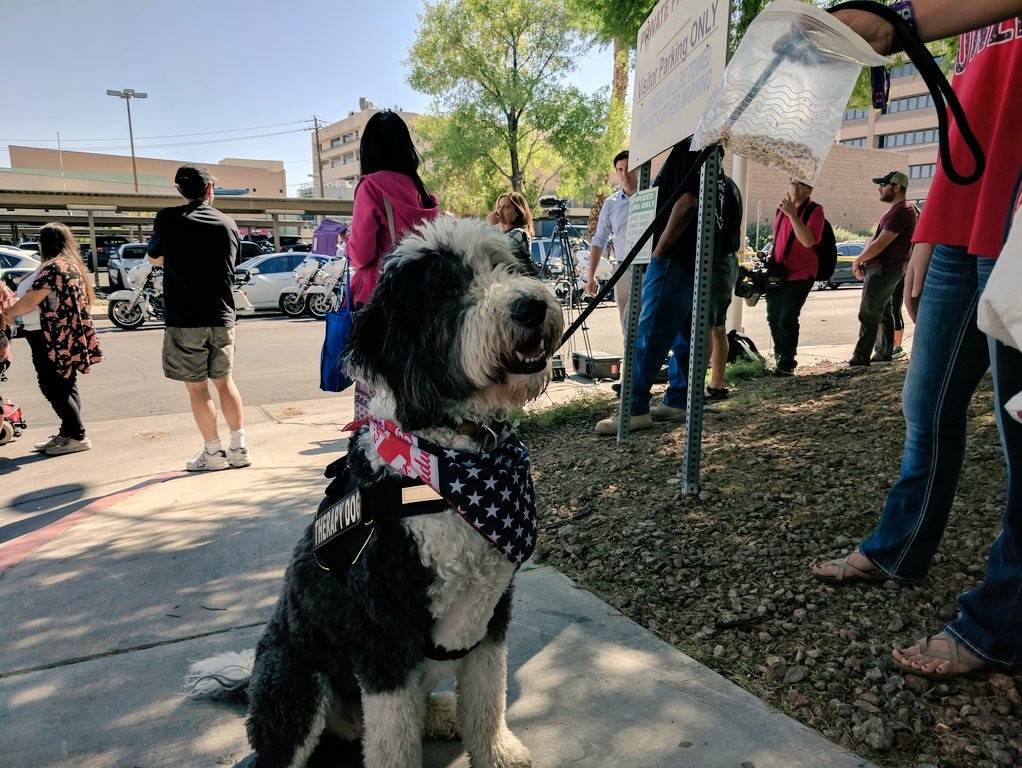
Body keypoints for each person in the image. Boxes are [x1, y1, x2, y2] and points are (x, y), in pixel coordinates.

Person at [812, 0, 1022, 679]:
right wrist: (932, 226)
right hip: (965, 205)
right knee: (925, 403)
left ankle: (1004, 621)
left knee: (1021, 430)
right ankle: (899, 548)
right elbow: (971, 107)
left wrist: (897, 18)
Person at [594, 138, 739, 435]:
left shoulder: (691, 149)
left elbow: (686, 203)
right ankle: (679, 400)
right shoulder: (721, 174)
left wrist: (660, 249)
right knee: (688, 334)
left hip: (675, 257)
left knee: (649, 332)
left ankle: (633, 408)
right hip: (697, 261)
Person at [147, 166, 250, 472]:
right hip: (221, 315)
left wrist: (178, 260)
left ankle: (213, 453)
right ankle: (239, 448)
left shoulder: (168, 218)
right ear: (209, 190)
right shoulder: (228, 223)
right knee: (224, 382)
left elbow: (153, 256)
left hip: (185, 319)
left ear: (180, 191)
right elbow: (231, 263)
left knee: (197, 388)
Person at [344, 110, 440, 419]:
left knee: (375, 385)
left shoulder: (371, 186)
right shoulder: (420, 190)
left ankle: (376, 440)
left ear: (370, 149)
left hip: (379, 300)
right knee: (412, 383)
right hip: (420, 299)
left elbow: (361, 254)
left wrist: (347, 242)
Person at [2, 222, 101, 455]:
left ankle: (77, 435)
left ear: (44, 243)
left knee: (52, 386)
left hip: (49, 335)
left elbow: (31, 300)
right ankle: (68, 433)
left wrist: (9, 313)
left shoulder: (54, 267)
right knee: (65, 384)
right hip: (61, 334)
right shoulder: (70, 265)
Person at [849, 171, 918, 366]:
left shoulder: (902, 210)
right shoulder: (897, 210)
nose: (880, 189)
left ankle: (861, 357)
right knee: (883, 311)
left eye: (884, 185)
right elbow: (876, 241)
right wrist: (864, 259)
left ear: (897, 187)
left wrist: (858, 260)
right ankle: (883, 353)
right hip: (885, 268)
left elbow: (880, 244)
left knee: (868, 311)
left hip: (884, 269)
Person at [766, 179, 825, 376]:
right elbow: (778, 238)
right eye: (794, 183)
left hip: (802, 272)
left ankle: (788, 361)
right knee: (773, 316)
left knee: (787, 316)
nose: (797, 188)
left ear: (810, 189)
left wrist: (792, 215)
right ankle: (780, 356)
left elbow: (808, 241)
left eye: (803, 185)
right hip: (779, 271)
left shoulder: (815, 210)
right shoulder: (781, 208)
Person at [585, 150, 638, 329]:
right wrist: (591, 277)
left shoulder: (652, 196)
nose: (625, 174)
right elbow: (599, 239)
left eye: (628, 168)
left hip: (649, 266)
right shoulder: (611, 203)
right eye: (620, 169)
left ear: (637, 168)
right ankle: (627, 348)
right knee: (626, 323)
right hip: (622, 267)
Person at [486, 191, 538, 275]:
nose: (500, 211)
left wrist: (490, 226)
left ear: (518, 212)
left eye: (506, 207)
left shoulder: (519, 234)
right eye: (499, 207)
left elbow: (496, 253)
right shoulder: (505, 234)